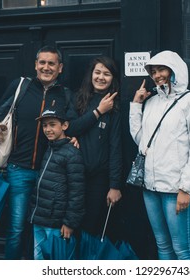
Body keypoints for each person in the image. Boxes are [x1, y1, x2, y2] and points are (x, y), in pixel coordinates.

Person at [0, 45, 115, 259]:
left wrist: (84, 125)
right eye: (42, 62)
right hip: (19, 169)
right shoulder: (21, 87)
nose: (46, 67)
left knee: (44, 231)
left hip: (52, 173)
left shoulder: (65, 95)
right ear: (35, 65)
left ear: (60, 68)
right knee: (16, 229)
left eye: (51, 63)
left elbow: (72, 126)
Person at [129, 50, 190, 260]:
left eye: (161, 69)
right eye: (153, 72)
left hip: (176, 189)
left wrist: (186, 188)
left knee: (184, 250)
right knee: (163, 246)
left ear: (175, 70)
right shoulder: (152, 102)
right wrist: (136, 106)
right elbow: (141, 141)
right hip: (150, 188)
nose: (157, 75)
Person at [70, 56, 122, 240]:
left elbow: (115, 147)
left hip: (98, 177)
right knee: (69, 224)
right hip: (72, 174)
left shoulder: (115, 106)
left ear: (112, 78)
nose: (101, 77)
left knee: (91, 226)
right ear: (91, 74)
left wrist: (114, 185)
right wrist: (98, 111)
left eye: (106, 74)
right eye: (97, 72)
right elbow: (70, 128)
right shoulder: (77, 98)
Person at [29, 106, 85, 260]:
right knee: (38, 258)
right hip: (40, 218)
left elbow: (77, 192)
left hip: (56, 222)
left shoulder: (72, 154)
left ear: (64, 126)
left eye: (52, 124)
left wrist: (69, 222)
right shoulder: (49, 149)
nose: (48, 129)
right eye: (45, 125)